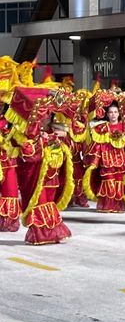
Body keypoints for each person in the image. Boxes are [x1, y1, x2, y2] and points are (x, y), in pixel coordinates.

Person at [7, 87, 75, 245]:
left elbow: (70, 149)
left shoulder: (56, 130)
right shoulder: (23, 134)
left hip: (53, 175)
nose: (47, 116)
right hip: (37, 177)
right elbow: (28, 155)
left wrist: (60, 140)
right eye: (44, 114)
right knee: (40, 202)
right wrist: (42, 141)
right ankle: (39, 234)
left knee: (49, 202)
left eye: (49, 113)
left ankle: (51, 232)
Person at [83, 97, 125, 213]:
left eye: (115, 112)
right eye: (110, 112)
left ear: (119, 113)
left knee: (119, 181)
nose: (113, 115)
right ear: (107, 114)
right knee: (108, 180)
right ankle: (107, 205)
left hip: (121, 161)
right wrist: (94, 161)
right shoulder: (102, 128)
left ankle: (118, 206)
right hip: (107, 160)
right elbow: (97, 145)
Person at [0, 97, 21, 232]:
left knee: (11, 190)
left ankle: (7, 220)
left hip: (8, 161)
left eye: (2, 105)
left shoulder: (11, 121)